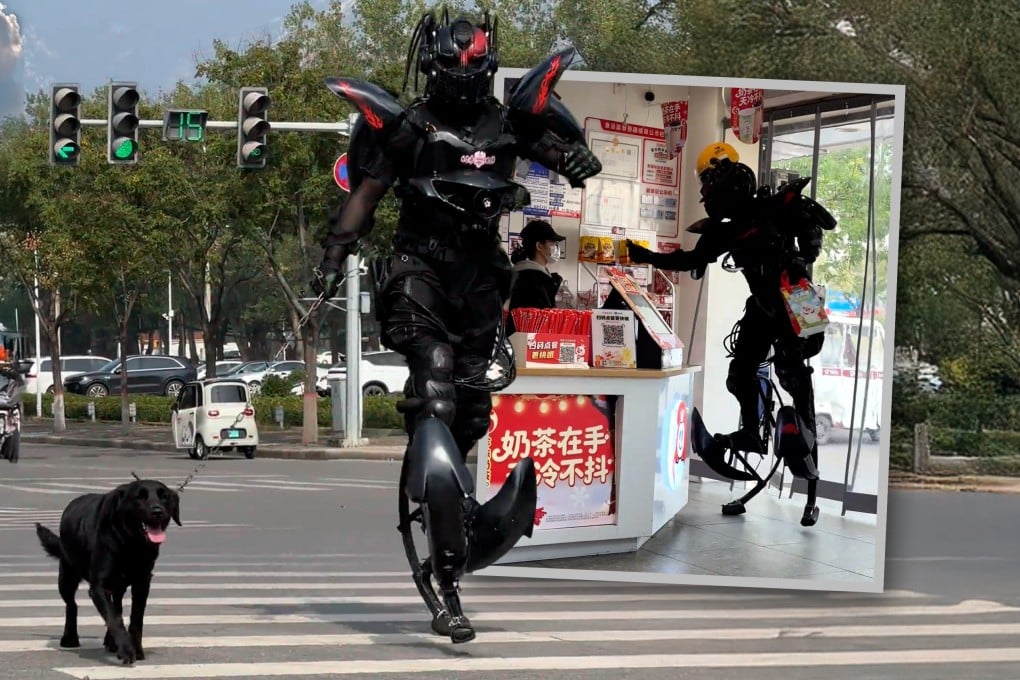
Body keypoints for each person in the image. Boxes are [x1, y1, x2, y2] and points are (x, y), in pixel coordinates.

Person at [309, 8, 602, 644]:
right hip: (421, 274)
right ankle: (446, 584)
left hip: (481, 283)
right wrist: (334, 256)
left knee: (471, 415)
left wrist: (577, 160)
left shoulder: (507, 123)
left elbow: (560, 154)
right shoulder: (408, 127)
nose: (465, 75)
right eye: (454, 64)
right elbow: (365, 196)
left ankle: (457, 519)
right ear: (433, 64)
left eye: (475, 65)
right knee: (436, 387)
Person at [626, 141, 836, 527]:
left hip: (797, 298)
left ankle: (808, 475)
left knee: (796, 379)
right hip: (766, 304)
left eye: (708, 182)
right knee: (740, 374)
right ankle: (753, 434)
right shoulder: (725, 229)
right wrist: (647, 256)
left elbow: (819, 231)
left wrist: (801, 245)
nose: (706, 192)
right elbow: (692, 259)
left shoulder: (775, 207)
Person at [508, 219, 566, 312]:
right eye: (553, 243)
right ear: (539, 246)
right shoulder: (532, 280)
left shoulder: (525, 273)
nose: (557, 247)